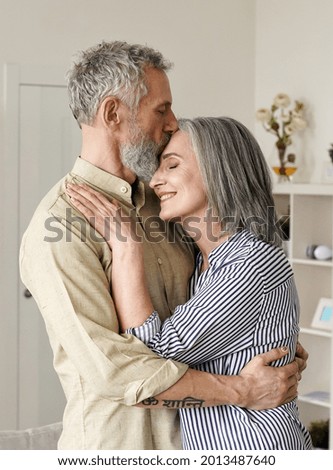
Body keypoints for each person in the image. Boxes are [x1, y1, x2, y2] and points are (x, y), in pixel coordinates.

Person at [19, 41, 307, 450]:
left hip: (208, 443)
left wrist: (274, 341)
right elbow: (115, 372)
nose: (172, 122)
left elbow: (231, 295)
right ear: (113, 113)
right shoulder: (60, 227)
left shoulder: (168, 203)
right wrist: (242, 390)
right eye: (161, 109)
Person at [66, 116, 313, 450]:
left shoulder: (250, 262)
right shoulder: (203, 262)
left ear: (218, 171)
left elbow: (154, 356)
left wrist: (125, 246)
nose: (155, 181)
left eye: (172, 165)